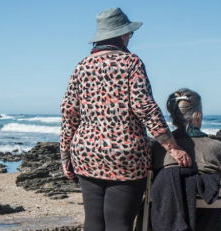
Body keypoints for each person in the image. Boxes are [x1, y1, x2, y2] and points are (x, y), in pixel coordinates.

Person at [59, 8, 191, 231]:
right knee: (119, 222)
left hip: (86, 152)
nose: (130, 38)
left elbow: (69, 112)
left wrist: (65, 155)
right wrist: (173, 147)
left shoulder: (81, 66)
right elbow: (145, 107)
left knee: (92, 221)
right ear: (122, 35)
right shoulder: (131, 63)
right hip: (126, 156)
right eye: (129, 34)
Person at [151, 88, 221, 231]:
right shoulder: (216, 148)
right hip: (212, 224)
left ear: (174, 116)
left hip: (161, 223)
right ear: (198, 114)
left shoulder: (158, 148)